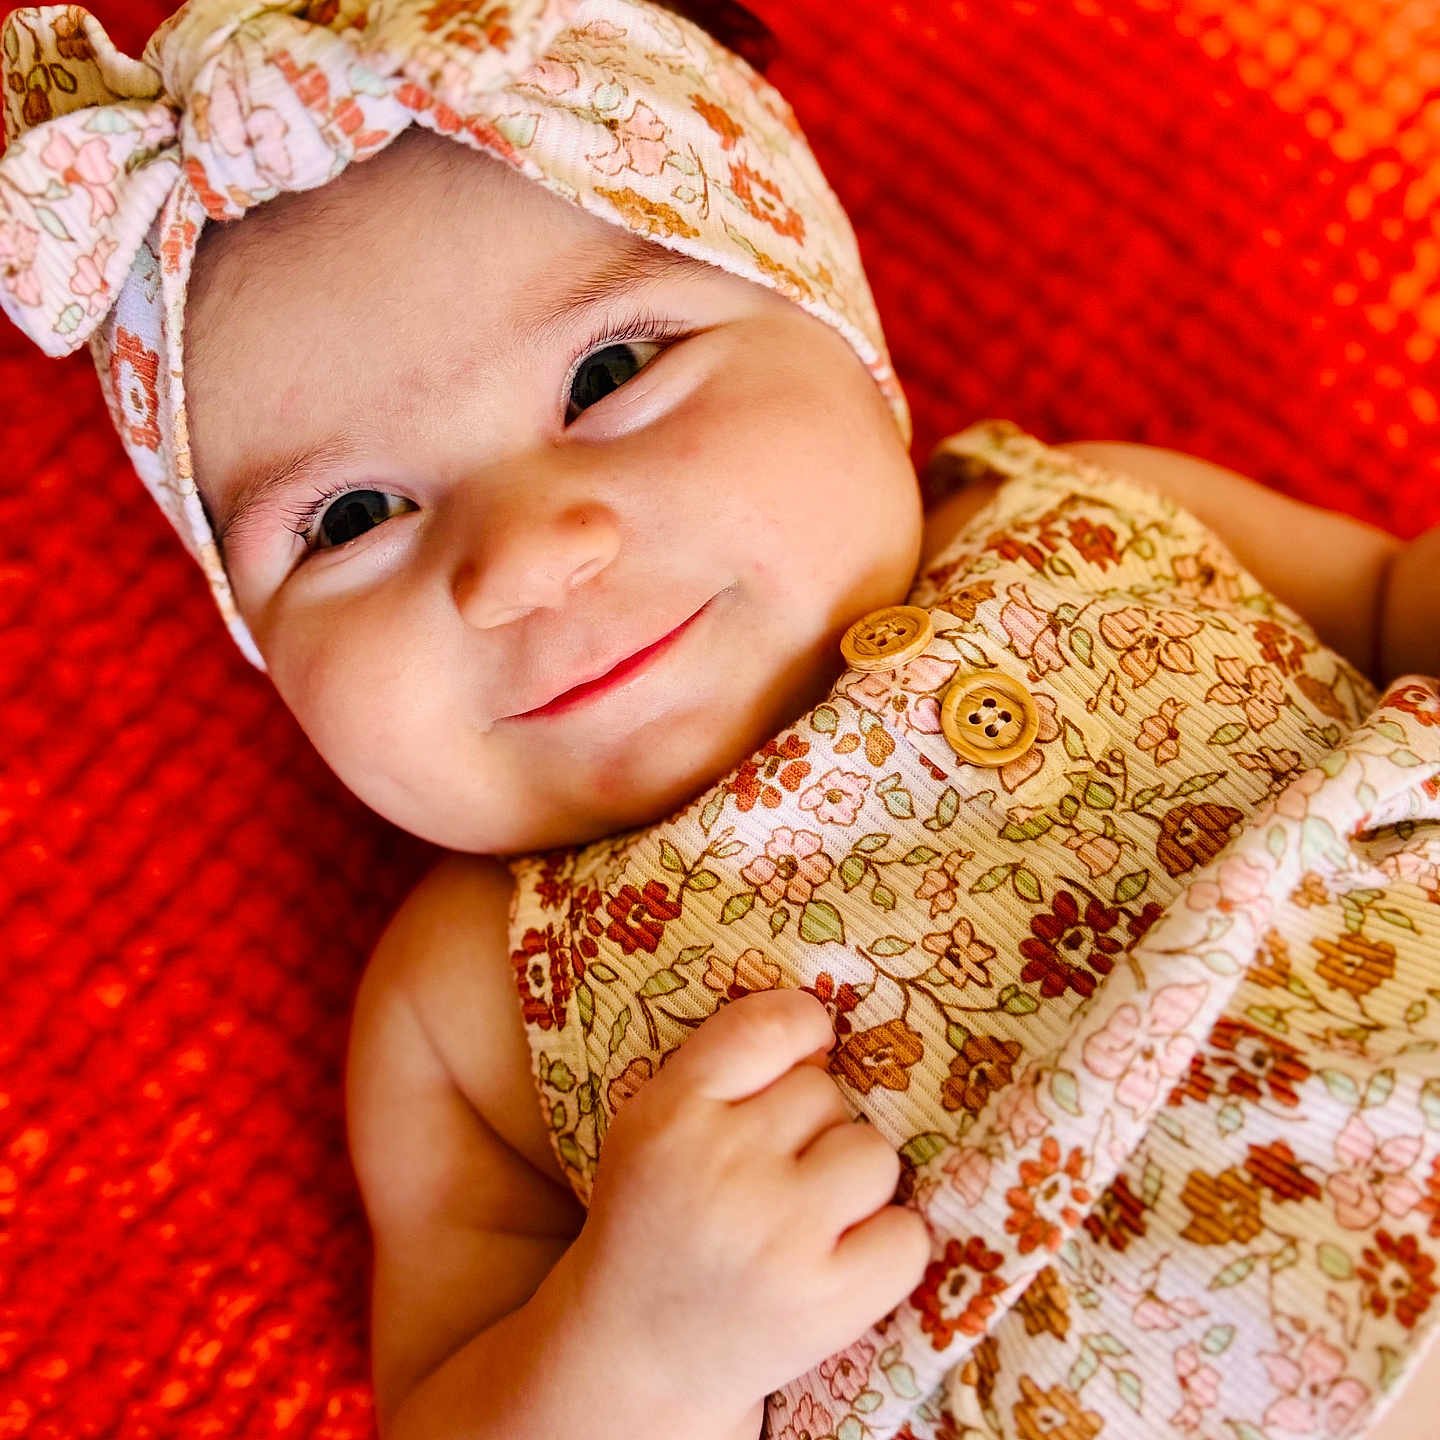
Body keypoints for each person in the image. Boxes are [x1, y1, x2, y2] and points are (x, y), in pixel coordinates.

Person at [2, 2, 1438, 1438]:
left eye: (610, 376)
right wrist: (637, 1347)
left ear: (839, 336)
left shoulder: (1084, 513)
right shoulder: (463, 1003)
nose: (522, 562)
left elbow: (1390, 600)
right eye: (351, 519)